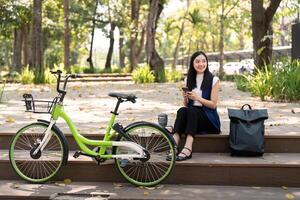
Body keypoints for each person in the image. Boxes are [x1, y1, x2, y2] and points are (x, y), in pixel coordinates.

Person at [172, 51, 221, 161]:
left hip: (209, 120)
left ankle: (188, 148)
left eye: (204, 61)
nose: (201, 64)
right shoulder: (188, 79)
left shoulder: (214, 80)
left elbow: (213, 105)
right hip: (193, 117)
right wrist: (186, 97)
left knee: (192, 111)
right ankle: (173, 146)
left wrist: (198, 98)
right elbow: (186, 104)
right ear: (192, 64)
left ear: (207, 63)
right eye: (197, 61)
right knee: (182, 110)